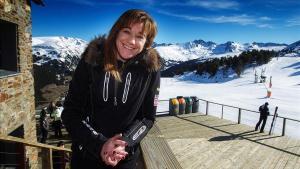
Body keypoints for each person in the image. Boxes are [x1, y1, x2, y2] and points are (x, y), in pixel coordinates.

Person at [61, 9, 161, 169]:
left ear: (146, 42)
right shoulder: (92, 60)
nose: (131, 41)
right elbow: (71, 112)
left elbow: (147, 117)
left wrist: (125, 141)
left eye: (139, 36)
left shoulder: (149, 70)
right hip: (87, 156)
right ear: (116, 32)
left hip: (124, 158)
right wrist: (100, 144)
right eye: (127, 31)